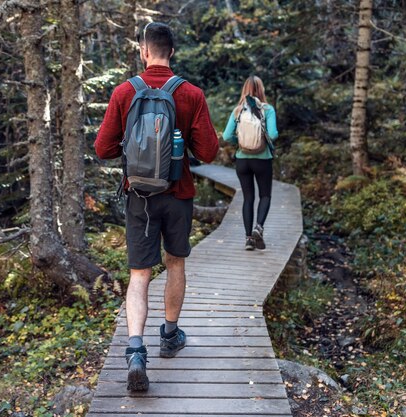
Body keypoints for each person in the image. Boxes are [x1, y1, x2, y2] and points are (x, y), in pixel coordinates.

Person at [94, 22, 219, 392]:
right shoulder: (190, 94)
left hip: (139, 198)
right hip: (178, 194)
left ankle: (135, 351)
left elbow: (102, 148)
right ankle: (169, 335)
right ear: (172, 52)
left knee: (139, 274)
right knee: (175, 263)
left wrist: (133, 151)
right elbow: (209, 152)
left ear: (144, 51)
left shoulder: (124, 92)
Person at [222, 75, 279, 251]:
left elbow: (226, 136)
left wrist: (240, 141)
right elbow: (274, 134)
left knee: (248, 198)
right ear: (261, 90)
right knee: (265, 196)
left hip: (242, 160)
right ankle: (258, 227)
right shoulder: (267, 109)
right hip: (262, 159)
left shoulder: (238, 110)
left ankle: (248, 239)